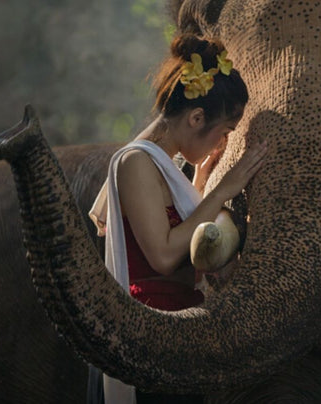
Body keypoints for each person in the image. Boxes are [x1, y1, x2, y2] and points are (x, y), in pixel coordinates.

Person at [84, 34, 266, 404]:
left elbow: (181, 226)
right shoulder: (136, 163)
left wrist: (201, 182)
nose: (221, 144)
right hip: (151, 329)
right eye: (224, 132)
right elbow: (164, 256)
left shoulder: (168, 167)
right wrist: (219, 192)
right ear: (197, 117)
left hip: (182, 326)